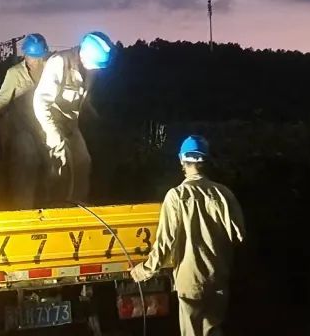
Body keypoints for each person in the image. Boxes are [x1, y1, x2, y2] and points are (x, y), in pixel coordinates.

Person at [131, 135, 245, 336]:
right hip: (218, 277)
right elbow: (239, 235)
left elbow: (165, 243)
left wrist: (144, 271)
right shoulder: (224, 194)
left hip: (190, 281)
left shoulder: (176, 196)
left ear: (181, 160)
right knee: (213, 330)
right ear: (206, 160)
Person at [32, 31, 113, 204]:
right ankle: (54, 207)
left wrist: (97, 118)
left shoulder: (89, 69)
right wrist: (52, 134)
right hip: (50, 123)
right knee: (60, 166)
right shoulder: (59, 62)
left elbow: (82, 98)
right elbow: (40, 102)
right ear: (84, 55)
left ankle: (78, 206)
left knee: (83, 162)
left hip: (70, 124)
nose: (97, 70)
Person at [0, 33, 50, 209]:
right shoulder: (14, 73)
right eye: (32, 56)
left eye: (39, 57)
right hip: (22, 129)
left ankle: (52, 208)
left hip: (45, 127)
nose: (35, 61)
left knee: (55, 166)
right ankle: (24, 210)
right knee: (26, 158)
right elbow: (2, 101)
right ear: (25, 54)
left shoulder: (51, 71)